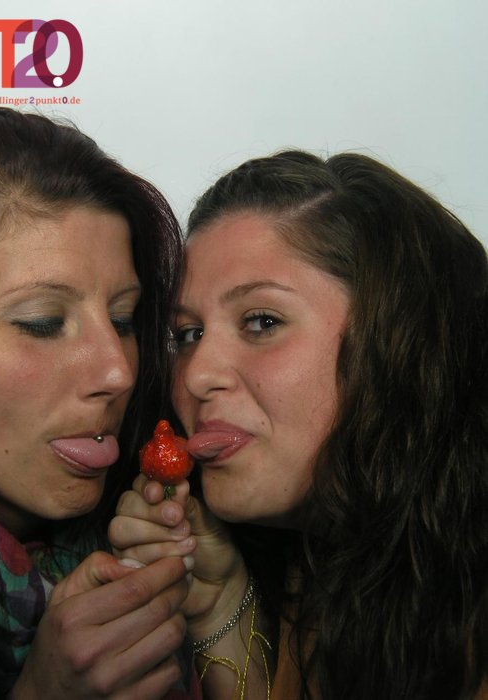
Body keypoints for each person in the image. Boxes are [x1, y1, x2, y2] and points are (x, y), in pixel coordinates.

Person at [110, 149, 488, 699]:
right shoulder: (315, 563)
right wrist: (221, 604)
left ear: (399, 337)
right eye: (188, 335)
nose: (196, 375)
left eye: (261, 321)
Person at [0, 107, 201, 699]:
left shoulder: (167, 528)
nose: (118, 371)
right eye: (43, 322)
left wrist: (223, 607)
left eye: (123, 319)